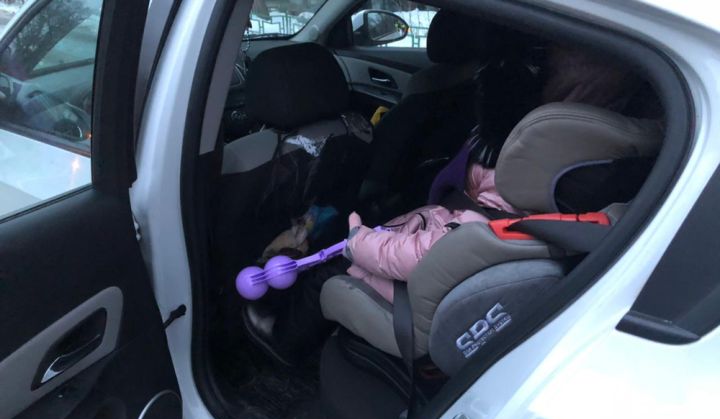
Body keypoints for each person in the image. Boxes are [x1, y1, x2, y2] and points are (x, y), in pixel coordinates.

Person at [243, 43, 644, 365]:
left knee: (325, 275)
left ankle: (284, 341)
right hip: (436, 256)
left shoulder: (480, 224)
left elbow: (415, 255)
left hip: (412, 292)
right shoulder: (545, 200)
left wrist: (357, 241)